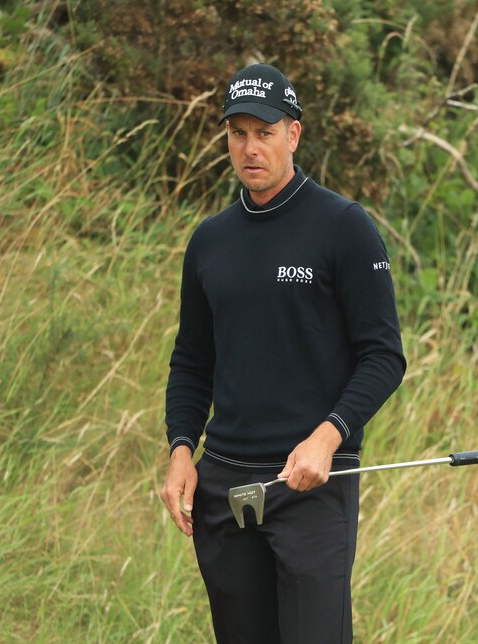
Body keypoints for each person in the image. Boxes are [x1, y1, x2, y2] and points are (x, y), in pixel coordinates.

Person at [160, 62, 406, 644]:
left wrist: (328, 436)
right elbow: (192, 363)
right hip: (225, 491)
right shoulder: (209, 242)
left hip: (311, 487)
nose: (250, 148)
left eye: (264, 132)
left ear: (293, 135)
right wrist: (179, 450)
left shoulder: (344, 227)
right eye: (237, 132)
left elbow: (384, 356)